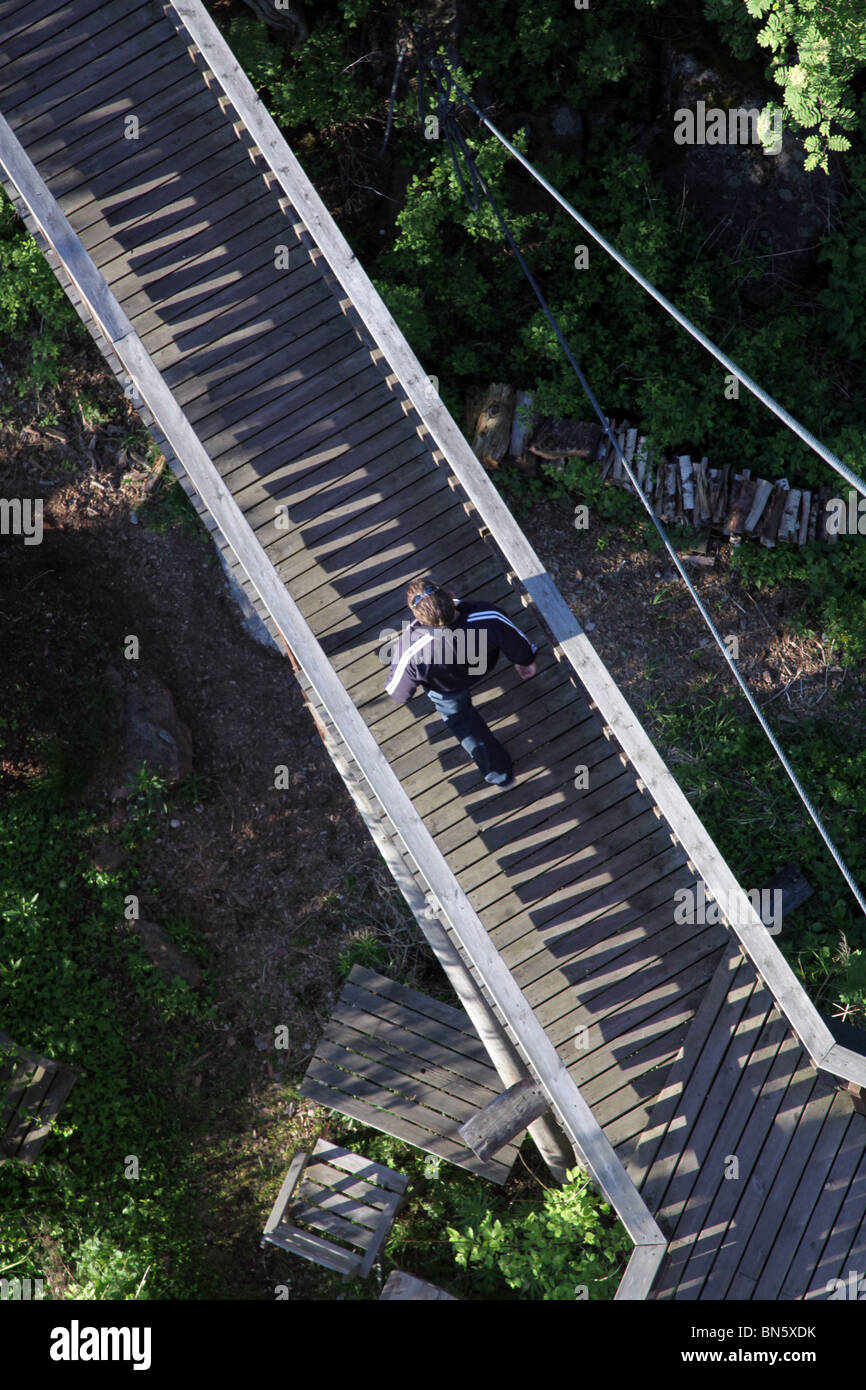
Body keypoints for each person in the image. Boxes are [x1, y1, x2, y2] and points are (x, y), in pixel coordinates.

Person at [385, 577, 537, 788]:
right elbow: (518, 644)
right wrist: (525, 662)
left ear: (417, 618)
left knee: (463, 721)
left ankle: (500, 774)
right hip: (482, 667)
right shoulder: (487, 616)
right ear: (451, 596)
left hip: (447, 688)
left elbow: (399, 694)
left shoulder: (410, 649)